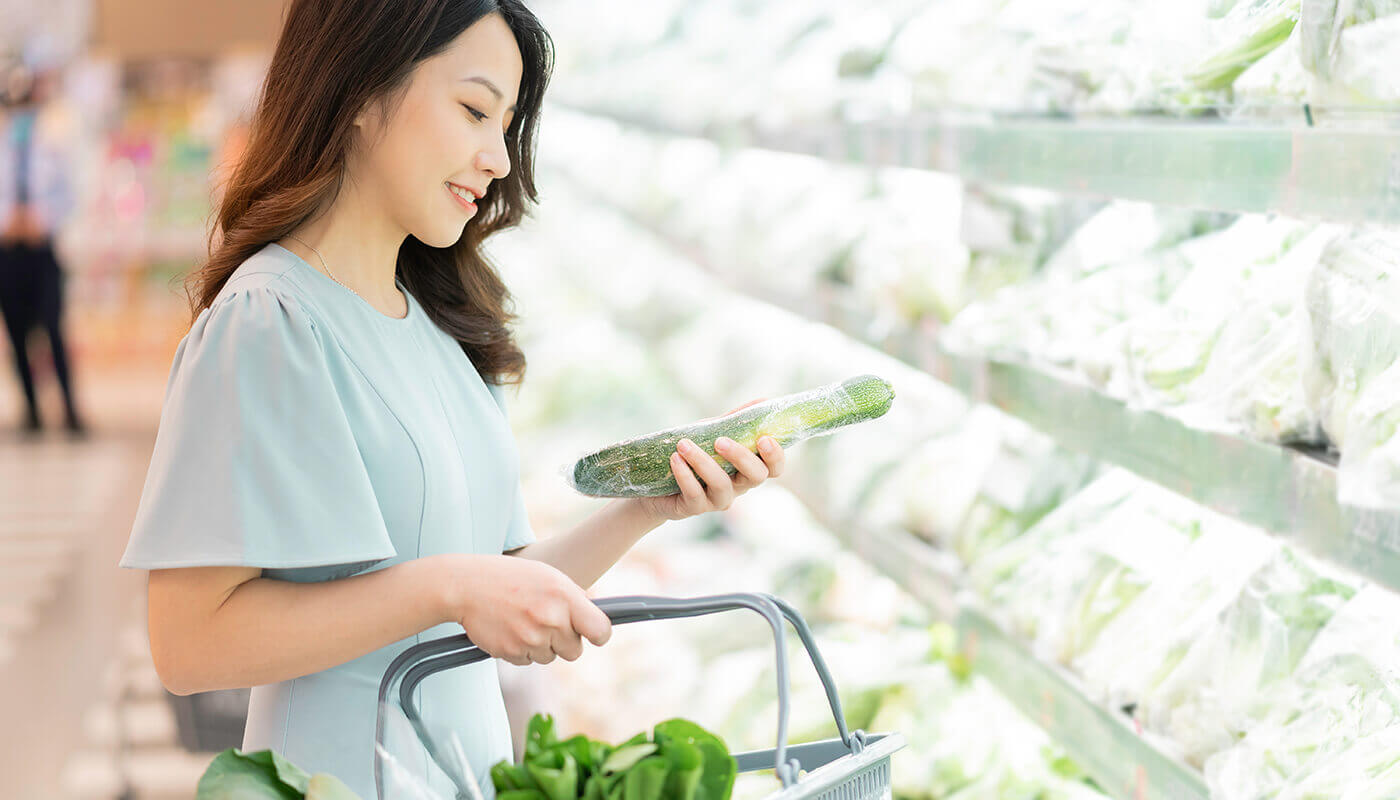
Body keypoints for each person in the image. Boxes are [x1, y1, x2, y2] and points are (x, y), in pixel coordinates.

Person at [116, 2, 788, 797]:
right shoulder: (270, 322)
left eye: (506, 125)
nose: (498, 158)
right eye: (473, 110)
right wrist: (447, 588)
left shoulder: (439, 324)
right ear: (361, 90)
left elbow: (497, 587)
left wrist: (650, 504)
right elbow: (190, 643)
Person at [0, 62, 85, 437]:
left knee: (53, 327)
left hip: (42, 251)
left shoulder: (51, 148)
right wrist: (8, 222)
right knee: (16, 333)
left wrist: (41, 219)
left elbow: (69, 197)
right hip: (7, 254)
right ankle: (31, 411)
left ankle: (69, 409)